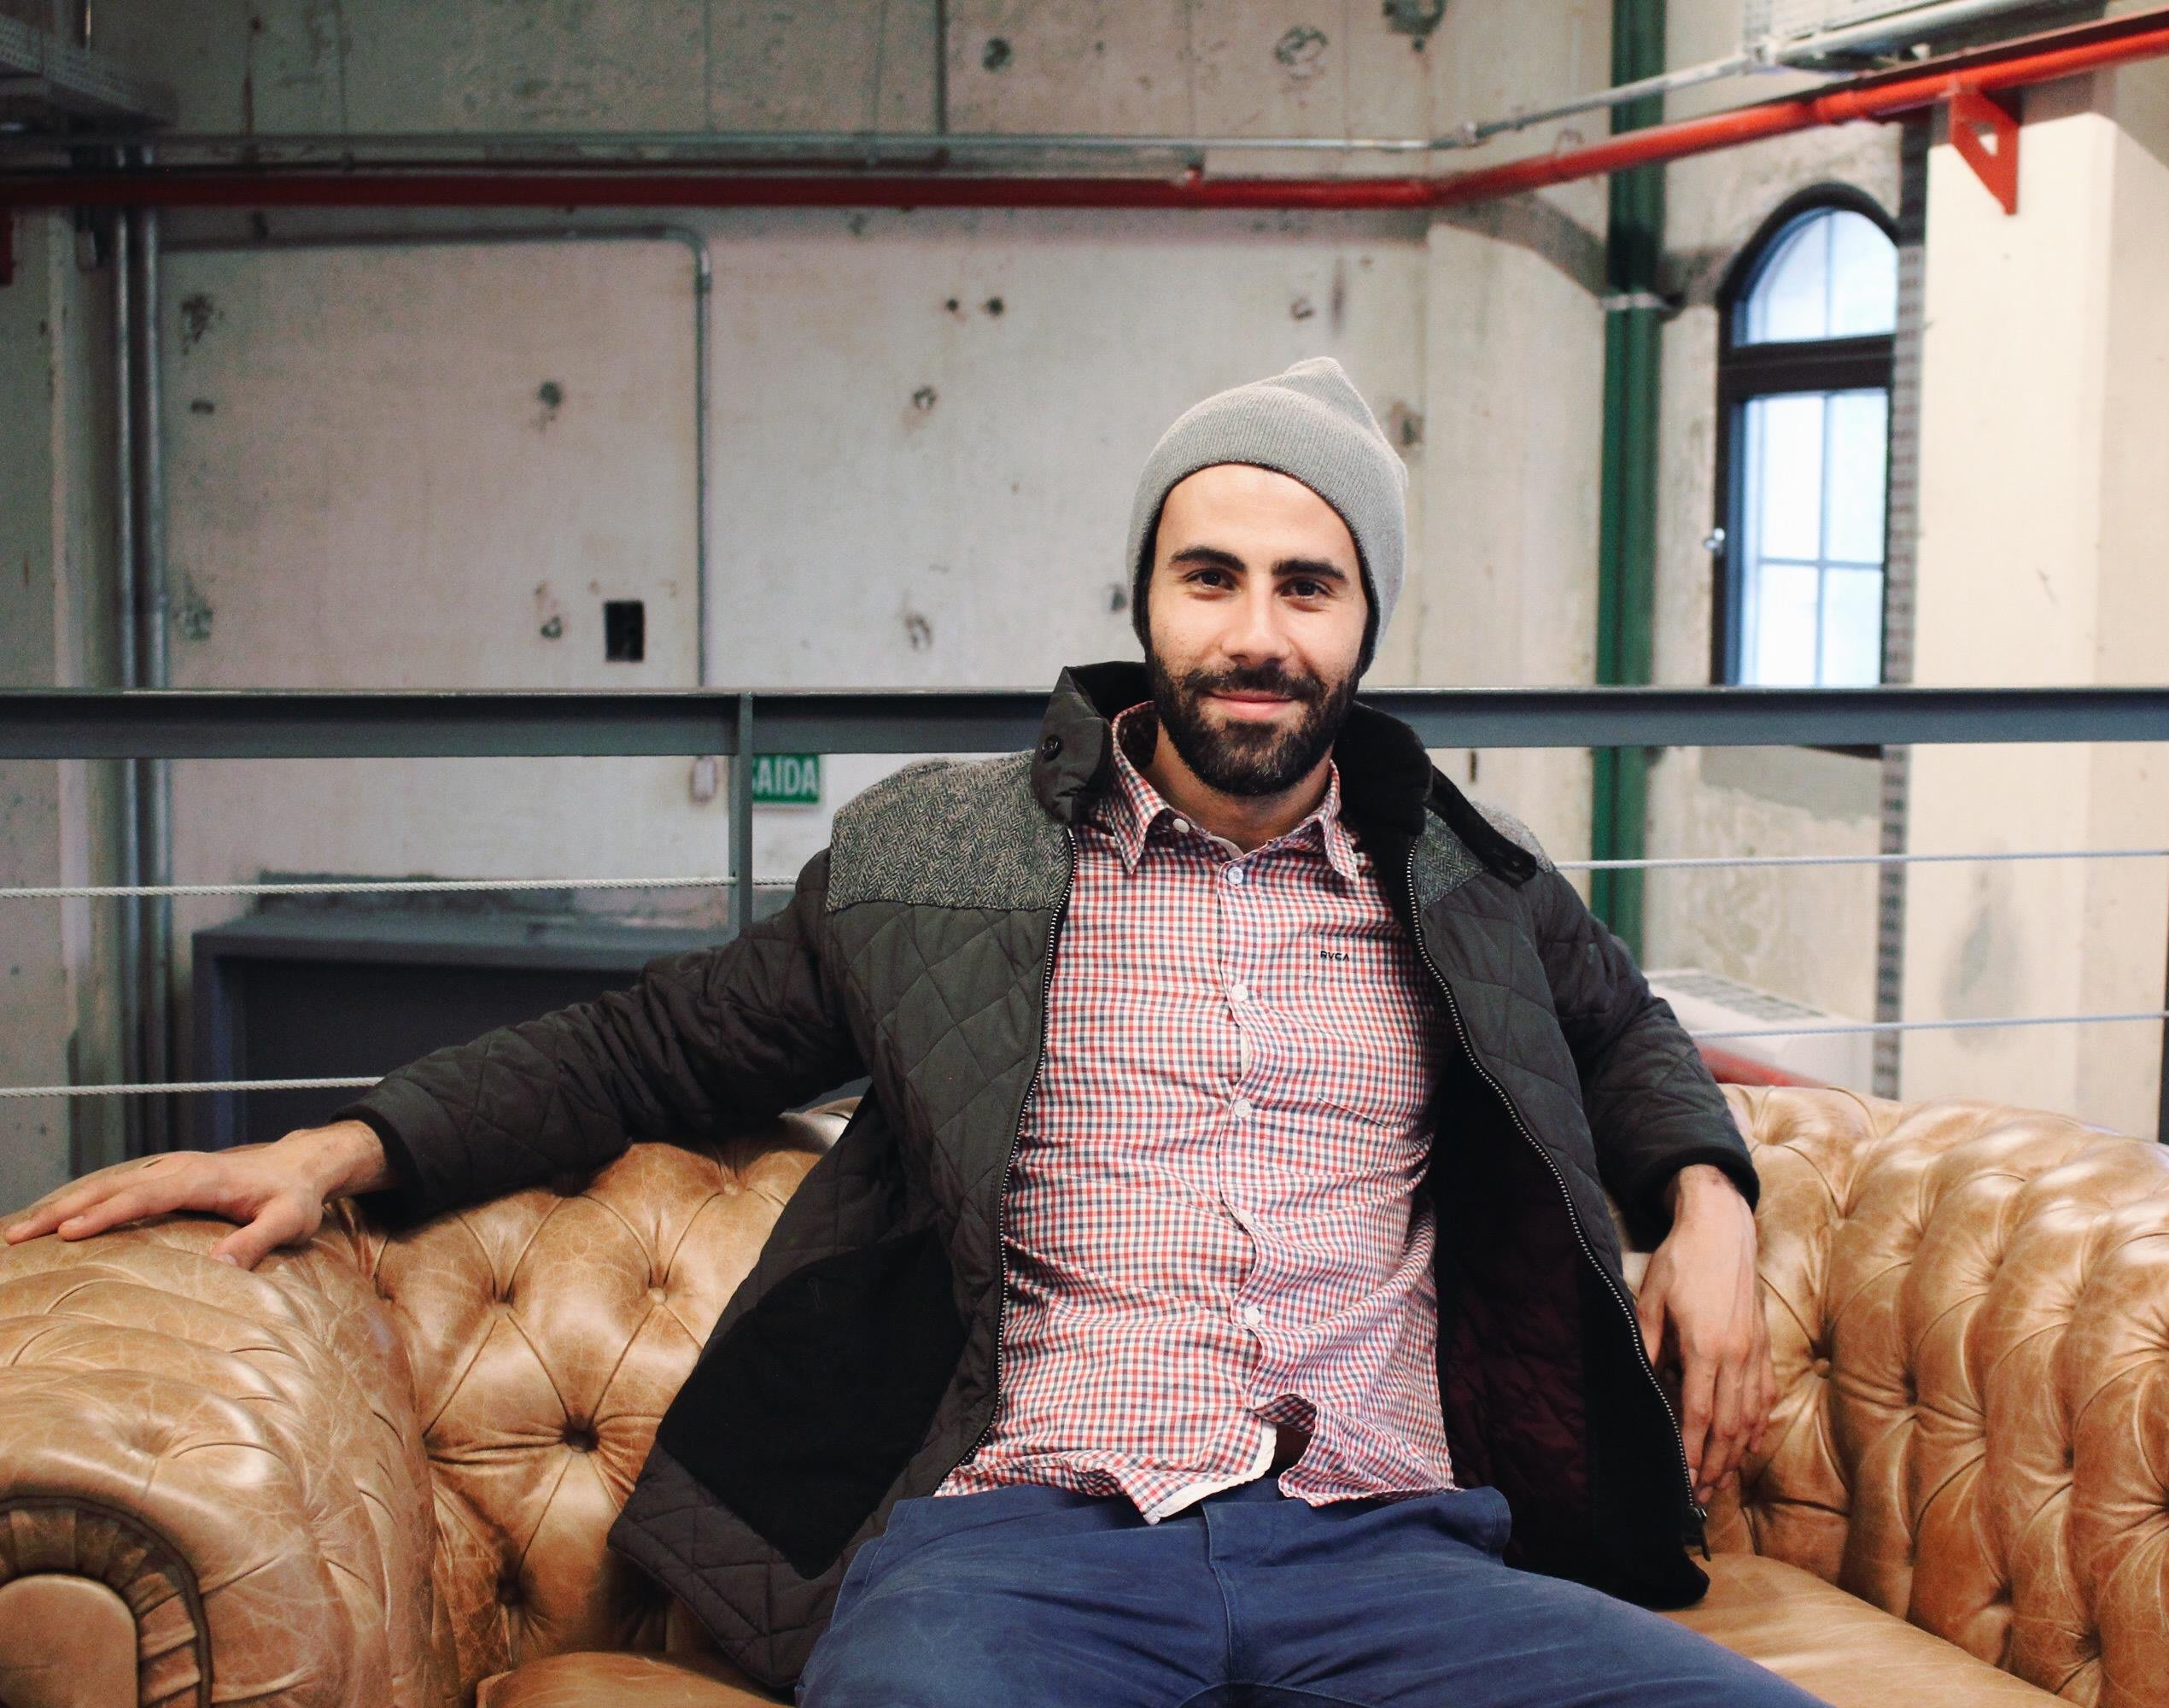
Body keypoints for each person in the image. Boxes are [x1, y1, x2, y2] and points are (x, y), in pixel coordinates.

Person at [7, 358, 1811, 1707]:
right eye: (1210, 578)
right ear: (1145, 602)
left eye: (1306, 585)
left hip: (1385, 1547)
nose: (1255, 633)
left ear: (1363, 625)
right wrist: (344, 1144)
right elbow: (653, 1046)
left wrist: (1710, 1196)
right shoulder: (940, 864)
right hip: (1027, 1545)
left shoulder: (1468, 881)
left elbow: (1623, 1031)